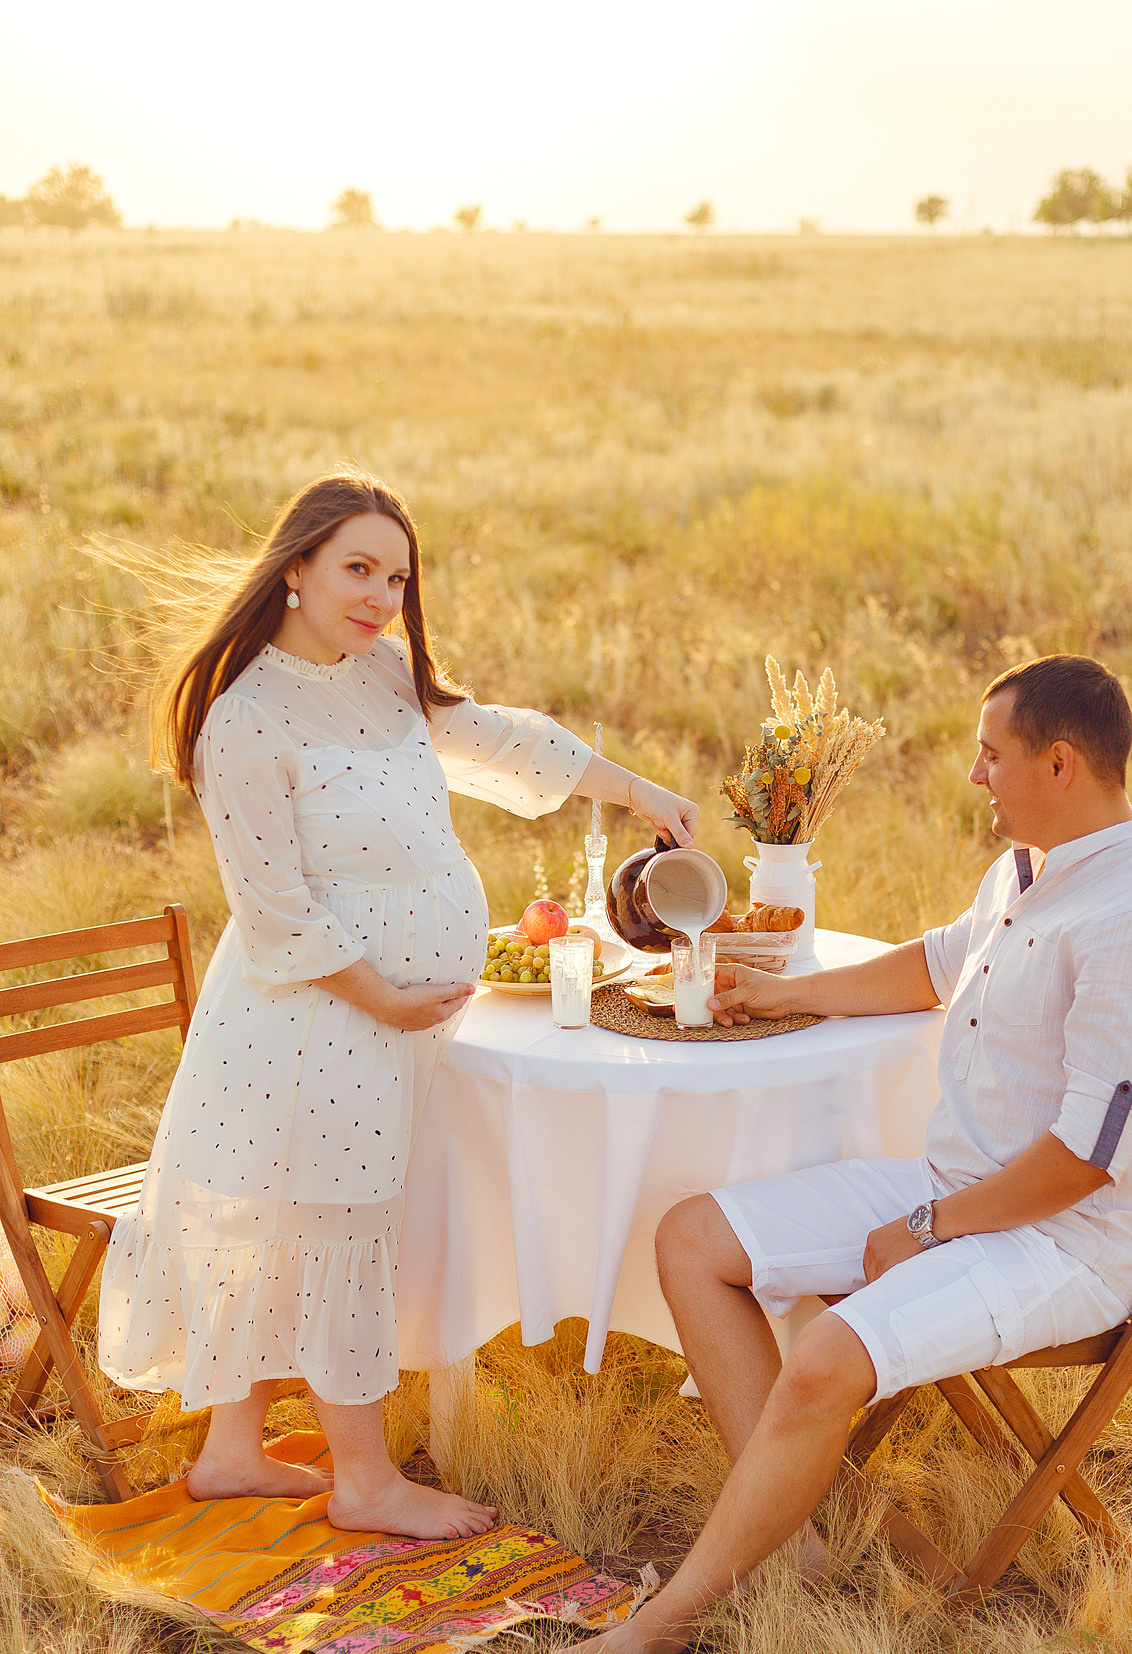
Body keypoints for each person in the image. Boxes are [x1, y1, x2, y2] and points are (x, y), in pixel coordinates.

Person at [525, 652, 1132, 1654]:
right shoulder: (1031, 865)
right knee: (692, 1240)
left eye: (990, 756)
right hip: (958, 1186)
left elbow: (1084, 1163)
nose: (974, 775)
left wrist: (931, 1225)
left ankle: (660, 1631)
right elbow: (937, 964)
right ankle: (792, 1542)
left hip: (1060, 1243)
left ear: (1061, 760)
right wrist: (781, 992)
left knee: (821, 1365)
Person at [97, 469, 698, 1540]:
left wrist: (638, 791)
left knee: (300, 1216)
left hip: (392, 1011)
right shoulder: (242, 723)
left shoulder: (379, 676)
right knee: (329, 1219)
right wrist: (384, 998)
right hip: (314, 1013)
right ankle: (365, 1482)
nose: (381, 595)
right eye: (358, 570)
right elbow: (274, 905)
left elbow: (502, 739)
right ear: (296, 570)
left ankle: (233, 1452)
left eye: (398, 576)